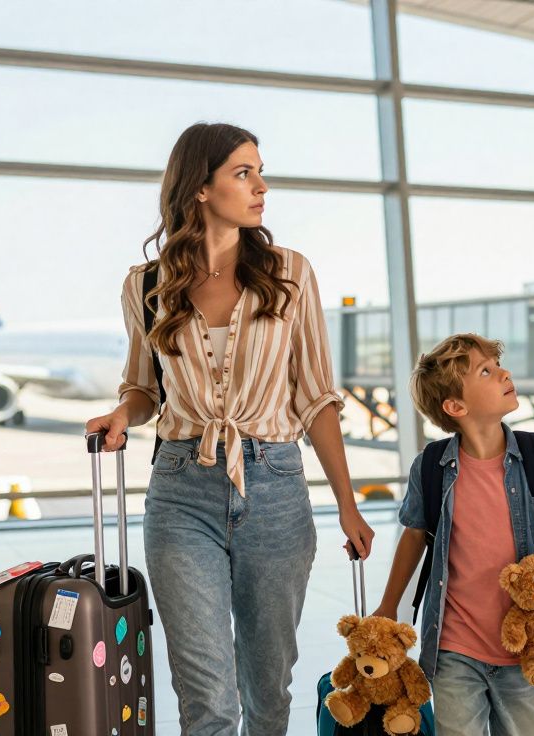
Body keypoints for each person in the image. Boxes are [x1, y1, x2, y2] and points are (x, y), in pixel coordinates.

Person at [85, 122, 375, 735]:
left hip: (275, 486)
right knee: (206, 692)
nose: (261, 186)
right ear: (199, 188)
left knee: (268, 688)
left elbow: (317, 397)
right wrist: (121, 415)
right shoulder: (145, 286)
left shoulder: (291, 273)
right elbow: (142, 387)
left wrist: (348, 504)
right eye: (244, 173)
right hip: (180, 488)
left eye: (259, 170)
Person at [371, 333, 534, 735]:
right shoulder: (430, 467)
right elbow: (414, 536)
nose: (504, 373)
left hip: (525, 649)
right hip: (453, 646)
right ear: (456, 406)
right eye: (486, 371)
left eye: (497, 365)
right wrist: (388, 603)